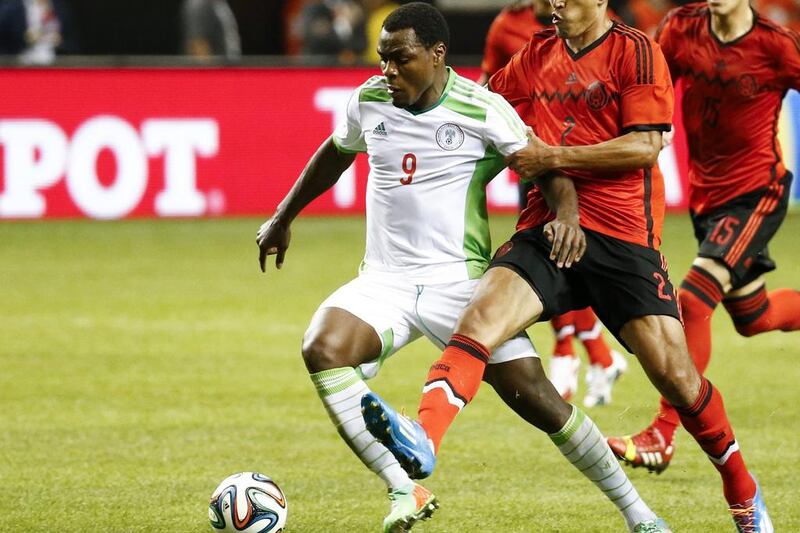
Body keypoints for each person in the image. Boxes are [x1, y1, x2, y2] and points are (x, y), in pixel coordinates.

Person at [361, 0, 774, 531]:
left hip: (624, 235)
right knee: (479, 321)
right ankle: (424, 438)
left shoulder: (637, 51)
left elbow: (646, 146)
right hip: (547, 226)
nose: (552, 2)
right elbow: (475, 108)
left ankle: (741, 488)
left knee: (677, 378)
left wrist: (552, 158)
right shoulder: (534, 55)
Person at [258, 3, 669, 532]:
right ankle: (405, 489)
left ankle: (641, 516)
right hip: (384, 280)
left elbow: (543, 164)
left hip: (461, 284)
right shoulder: (370, 100)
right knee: (322, 347)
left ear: (436, 54)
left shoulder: (482, 108)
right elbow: (336, 154)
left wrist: (568, 216)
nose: (388, 71)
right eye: (383, 59)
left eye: (400, 59)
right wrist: (283, 216)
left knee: (541, 402)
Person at [607, 0, 800, 479]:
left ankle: (662, 433)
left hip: (757, 192)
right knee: (753, 318)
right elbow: (650, 86)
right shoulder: (681, 28)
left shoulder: (776, 46)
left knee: (692, 300)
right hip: (707, 198)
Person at [479, 0, 627, 408]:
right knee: (553, 257)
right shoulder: (508, 27)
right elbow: (489, 85)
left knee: (564, 259)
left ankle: (574, 354)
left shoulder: (597, 27)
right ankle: (594, 354)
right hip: (533, 158)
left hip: (581, 165)